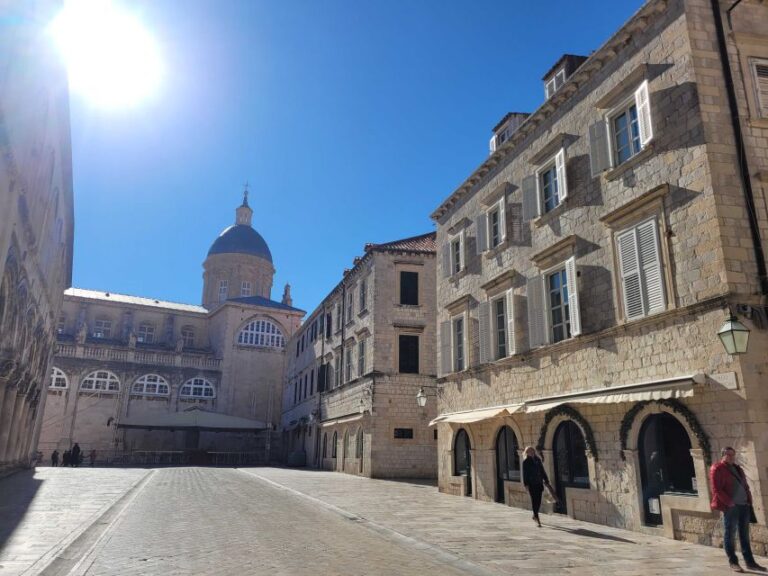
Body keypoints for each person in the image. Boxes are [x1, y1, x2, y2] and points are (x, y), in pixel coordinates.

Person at [710, 446, 766, 573]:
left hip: (744, 505)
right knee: (729, 534)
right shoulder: (717, 468)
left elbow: (744, 485)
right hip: (731, 507)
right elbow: (717, 489)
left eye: (733, 455)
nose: (731, 457)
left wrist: (748, 500)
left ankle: (750, 562)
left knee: (744, 535)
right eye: (729, 455)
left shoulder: (737, 468)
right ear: (723, 455)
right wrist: (729, 503)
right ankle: (733, 562)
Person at [523, 446, 551, 528]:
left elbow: (542, 470)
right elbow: (525, 474)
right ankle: (536, 517)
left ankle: (535, 514)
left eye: (532, 451)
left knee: (538, 500)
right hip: (531, 484)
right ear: (527, 453)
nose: (531, 452)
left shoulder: (538, 460)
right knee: (534, 500)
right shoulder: (526, 462)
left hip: (539, 483)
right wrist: (526, 484)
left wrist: (546, 479)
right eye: (529, 451)